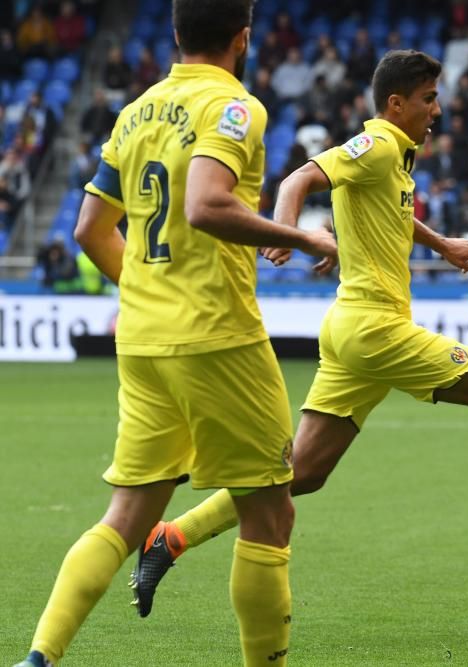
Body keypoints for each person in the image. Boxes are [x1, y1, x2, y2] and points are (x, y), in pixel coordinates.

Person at [129, 49, 468, 620]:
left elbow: (394, 212)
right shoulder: (378, 143)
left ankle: (170, 537)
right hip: (374, 327)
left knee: (302, 474)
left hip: (351, 334)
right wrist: (287, 231)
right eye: (429, 99)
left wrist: (443, 246)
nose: (437, 109)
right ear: (396, 103)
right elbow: (301, 177)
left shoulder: (395, 160)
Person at [12, 1, 340, 665]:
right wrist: (302, 235)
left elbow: (87, 230)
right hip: (218, 337)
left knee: (126, 515)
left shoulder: (135, 111)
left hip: (141, 338)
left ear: (175, 33)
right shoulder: (237, 107)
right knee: (269, 514)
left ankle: (40, 655)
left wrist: (141, 290)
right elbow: (206, 204)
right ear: (244, 38)